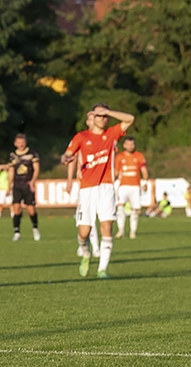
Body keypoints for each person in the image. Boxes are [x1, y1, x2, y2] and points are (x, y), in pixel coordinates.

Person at [61, 103, 134, 279]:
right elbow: (67, 154)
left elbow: (130, 118)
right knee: (84, 232)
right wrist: (65, 157)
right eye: (98, 115)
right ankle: (85, 251)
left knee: (106, 226)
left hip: (107, 187)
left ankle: (102, 269)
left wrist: (108, 111)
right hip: (87, 189)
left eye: (104, 116)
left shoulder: (112, 134)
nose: (102, 119)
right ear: (92, 117)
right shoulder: (81, 136)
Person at [66, 113, 100, 258]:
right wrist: (69, 180)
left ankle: (96, 247)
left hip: (103, 184)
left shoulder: (105, 138)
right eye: (92, 119)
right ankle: (90, 245)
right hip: (85, 184)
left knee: (101, 217)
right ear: (87, 122)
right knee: (87, 218)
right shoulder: (82, 138)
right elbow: (71, 159)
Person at [7, 133, 41, 242]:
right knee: (16, 208)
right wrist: (9, 186)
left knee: (31, 209)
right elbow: (11, 171)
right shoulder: (12, 155)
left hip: (28, 185)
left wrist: (33, 181)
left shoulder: (32, 154)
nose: (21, 144)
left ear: (25, 142)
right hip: (17, 185)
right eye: (19, 142)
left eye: (23, 142)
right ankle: (16, 232)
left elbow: (36, 168)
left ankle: (35, 228)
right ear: (15, 143)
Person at [113, 137, 149, 239]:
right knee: (120, 207)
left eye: (132, 144)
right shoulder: (119, 157)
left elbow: (144, 170)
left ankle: (133, 231)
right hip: (123, 185)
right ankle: (121, 230)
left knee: (135, 210)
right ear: (124, 145)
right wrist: (111, 182)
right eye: (128, 144)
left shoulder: (139, 156)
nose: (130, 146)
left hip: (135, 186)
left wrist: (145, 182)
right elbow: (116, 172)